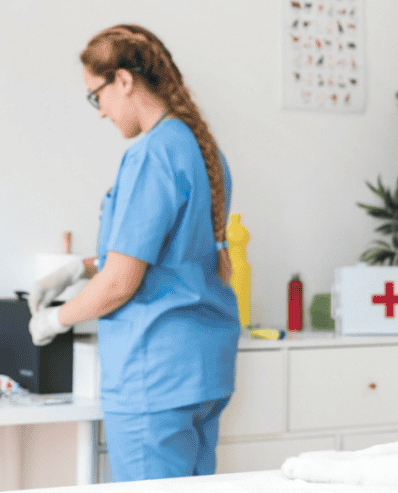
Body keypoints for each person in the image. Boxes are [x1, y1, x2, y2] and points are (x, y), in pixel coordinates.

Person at [26, 24, 240, 482]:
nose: (100, 112)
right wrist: (77, 269)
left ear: (123, 80)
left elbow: (121, 282)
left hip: (154, 375)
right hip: (203, 369)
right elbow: (170, 253)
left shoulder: (153, 154)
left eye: (96, 96)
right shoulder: (204, 152)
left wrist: (54, 319)